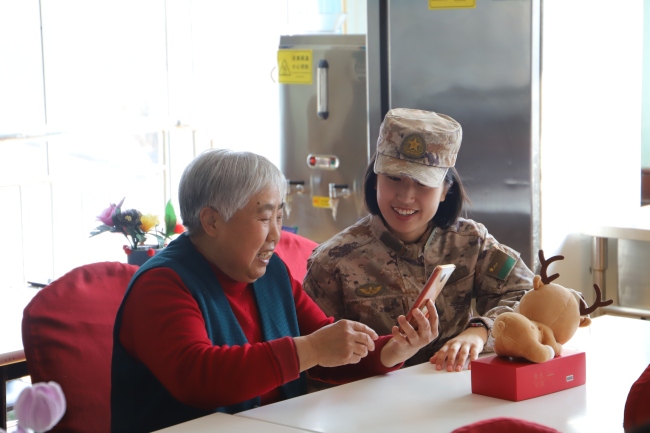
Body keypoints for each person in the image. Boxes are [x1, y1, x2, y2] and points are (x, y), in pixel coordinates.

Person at [111, 148, 440, 433]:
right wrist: (309, 350)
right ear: (211, 222)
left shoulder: (269, 272)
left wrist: (393, 350)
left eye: (280, 216)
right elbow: (197, 375)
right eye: (265, 217)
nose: (276, 235)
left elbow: (325, 346)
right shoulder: (162, 285)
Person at [303, 108, 535, 373]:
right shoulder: (335, 260)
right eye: (393, 178)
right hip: (370, 404)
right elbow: (310, 360)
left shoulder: (470, 242)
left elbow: (528, 295)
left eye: (423, 183)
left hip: (455, 392)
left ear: (446, 190)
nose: (405, 197)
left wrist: (480, 331)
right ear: (375, 179)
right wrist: (387, 353)